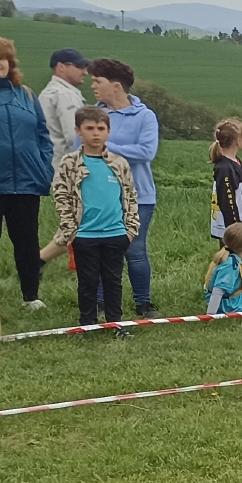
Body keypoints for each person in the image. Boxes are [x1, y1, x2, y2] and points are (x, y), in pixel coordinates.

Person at [39, 107, 136, 327]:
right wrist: (71, 230)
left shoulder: (119, 163)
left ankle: (115, 323)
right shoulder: (70, 163)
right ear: (78, 131)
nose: (95, 133)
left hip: (115, 233)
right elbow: (61, 195)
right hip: (84, 234)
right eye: (89, 128)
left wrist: (130, 230)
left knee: (113, 282)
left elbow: (130, 196)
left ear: (108, 132)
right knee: (87, 282)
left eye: (101, 128)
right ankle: (87, 323)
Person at [0, 33, 53, 314]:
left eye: (3, 58)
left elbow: (42, 135)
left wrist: (44, 168)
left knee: (27, 240)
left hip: (26, 181)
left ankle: (31, 297)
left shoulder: (27, 95)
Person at [88, 57, 159, 316]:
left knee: (135, 250)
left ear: (116, 86)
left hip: (138, 196)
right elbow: (80, 152)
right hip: (100, 195)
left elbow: (146, 152)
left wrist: (104, 147)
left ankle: (143, 302)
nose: (93, 86)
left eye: (98, 81)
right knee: (99, 249)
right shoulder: (91, 115)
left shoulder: (145, 116)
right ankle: (100, 301)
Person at [39, 47, 87, 163]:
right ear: (61, 67)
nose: (85, 72)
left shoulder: (46, 93)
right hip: (65, 166)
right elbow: (74, 137)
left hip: (49, 162)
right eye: (79, 66)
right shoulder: (65, 94)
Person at [208, 118, 242, 240]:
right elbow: (227, 201)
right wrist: (235, 228)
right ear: (238, 140)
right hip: (233, 229)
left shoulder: (235, 161)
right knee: (231, 252)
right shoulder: (225, 168)